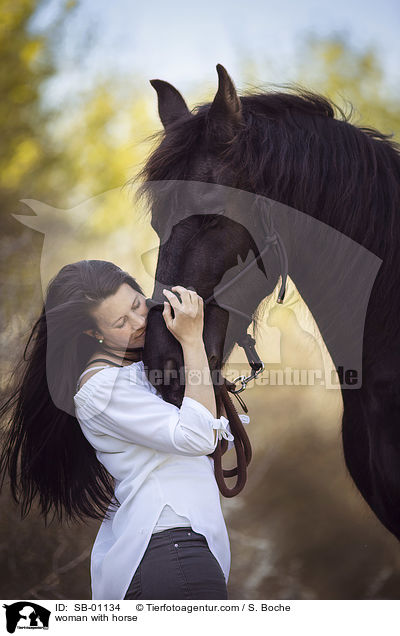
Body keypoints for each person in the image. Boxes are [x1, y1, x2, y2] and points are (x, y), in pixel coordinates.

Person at [0, 259, 247, 600]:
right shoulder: (102, 387)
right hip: (171, 549)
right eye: (121, 322)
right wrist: (192, 341)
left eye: (137, 304)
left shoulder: (142, 366)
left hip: (180, 549)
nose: (139, 322)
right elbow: (198, 436)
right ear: (94, 334)